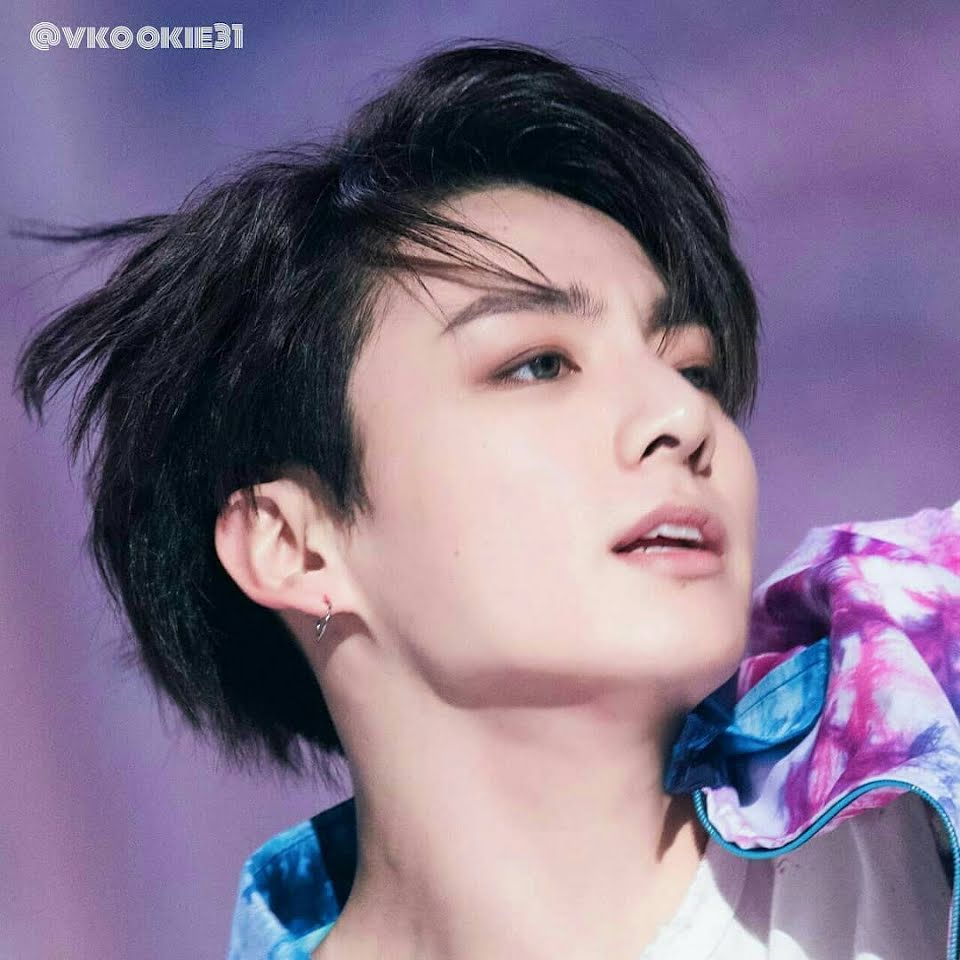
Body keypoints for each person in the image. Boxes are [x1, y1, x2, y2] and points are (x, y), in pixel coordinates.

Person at [14, 39, 960, 960]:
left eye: (694, 370)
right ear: (293, 547)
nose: (682, 417)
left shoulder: (914, 785)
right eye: (538, 364)